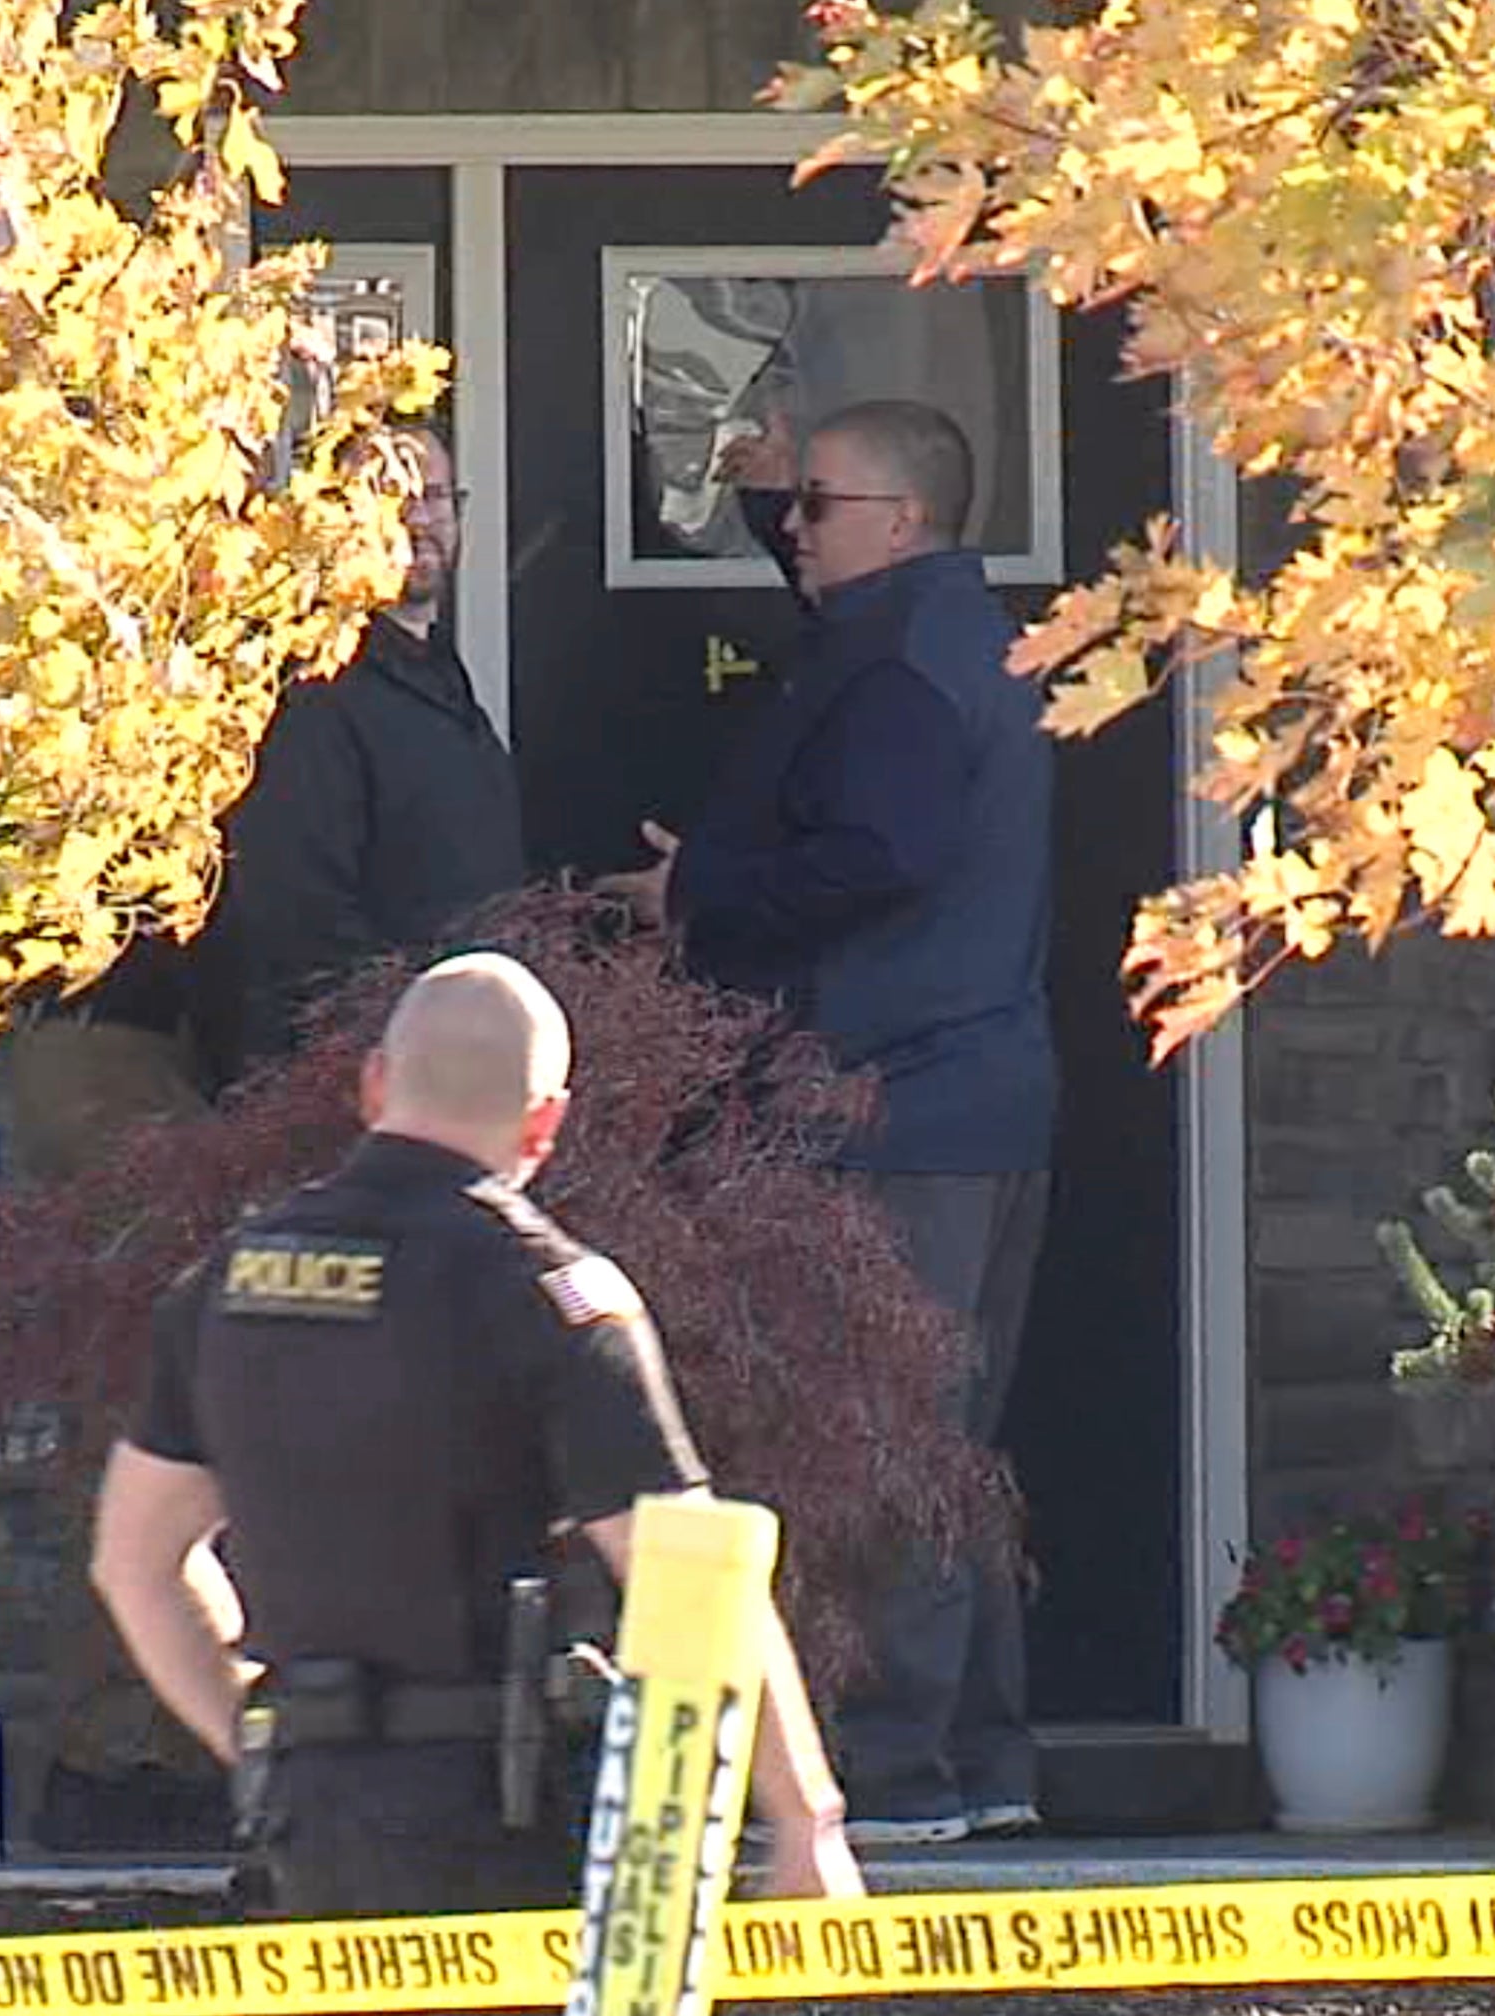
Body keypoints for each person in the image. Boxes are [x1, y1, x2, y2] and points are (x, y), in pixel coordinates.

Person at [91, 953, 863, 1914]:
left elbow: (134, 1562)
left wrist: (259, 1742)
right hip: (498, 1826)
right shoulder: (543, 1290)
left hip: (306, 1824)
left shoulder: (224, 1284)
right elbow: (689, 1576)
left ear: (373, 1082)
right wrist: (804, 1822)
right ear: (548, 1119)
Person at [601, 400, 1056, 1847]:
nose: (787, 527)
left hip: (891, 1098)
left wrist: (698, 897)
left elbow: (879, 853)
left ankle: (897, 1773)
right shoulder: (937, 638)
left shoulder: (902, 667)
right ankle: (983, 1764)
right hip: (966, 1093)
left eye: (812, 505)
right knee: (948, 1446)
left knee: (882, 1438)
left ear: (902, 522)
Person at [190, 427, 524, 1090]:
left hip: (456, 1067)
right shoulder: (312, 689)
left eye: (433, 496)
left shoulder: (436, 675)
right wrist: (389, 1052)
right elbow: (298, 916)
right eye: (389, 497)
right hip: (358, 1086)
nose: (418, 519)